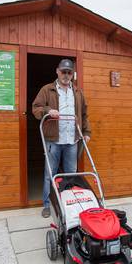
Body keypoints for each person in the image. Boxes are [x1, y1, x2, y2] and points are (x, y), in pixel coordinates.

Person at [32, 59, 91, 218]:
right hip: (54, 140)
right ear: (57, 71)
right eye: (63, 71)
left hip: (72, 140)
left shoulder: (77, 92)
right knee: (50, 174)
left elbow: (84, 114)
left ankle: (69, 203)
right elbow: (35, 108)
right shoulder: (47, 89)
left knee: (71, 174)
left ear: (72, 74)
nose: (66, 75)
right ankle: (46, 204)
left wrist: (86, 132)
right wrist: (47, 110)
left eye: (69, 72)